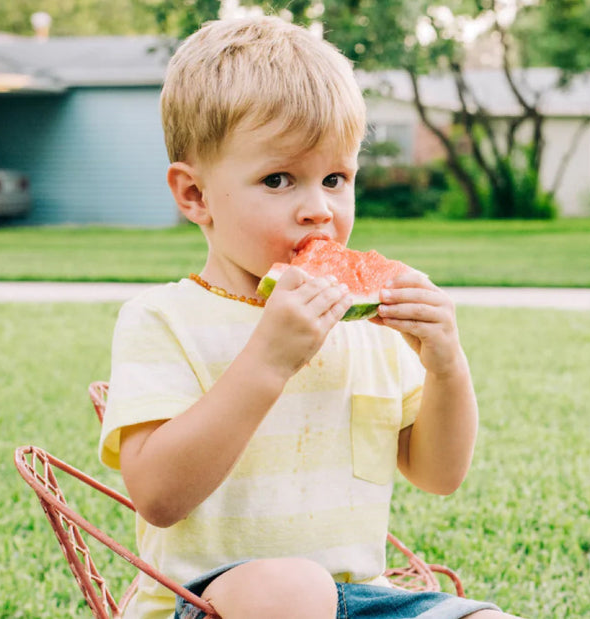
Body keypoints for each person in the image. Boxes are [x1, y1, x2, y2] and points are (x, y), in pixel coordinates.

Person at [98, 16, 516, 619]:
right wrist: (268, 360)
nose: (318, 210)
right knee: (291, 591)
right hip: (208, 601)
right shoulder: (163, 320)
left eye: (335, 179)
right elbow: (158, 497)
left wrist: (446, 363)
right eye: (278, 179)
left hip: (361, 600)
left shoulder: (368, 330)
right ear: (195, 196)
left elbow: (439, 473)